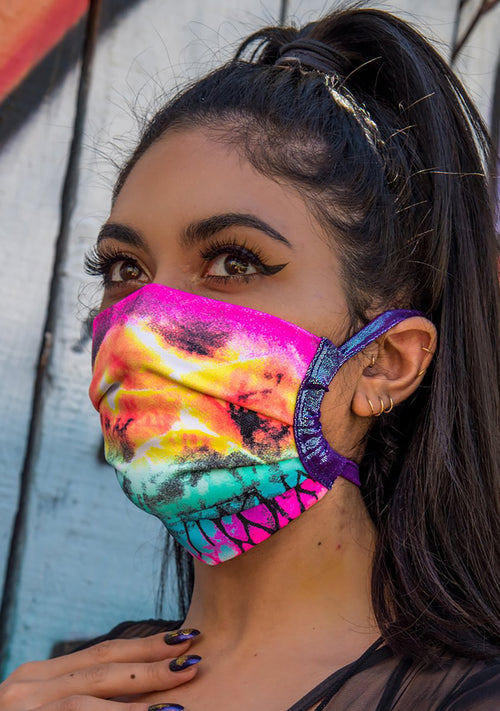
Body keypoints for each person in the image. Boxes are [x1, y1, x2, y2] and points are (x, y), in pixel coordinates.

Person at [1, 6, 499, 711]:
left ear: (386, 362)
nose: (143, 323)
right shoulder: (72, 687)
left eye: (233, 261)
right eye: (124, 268)